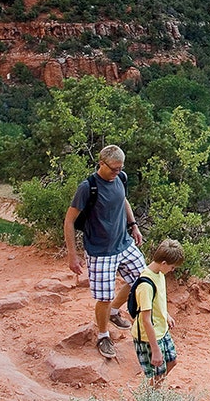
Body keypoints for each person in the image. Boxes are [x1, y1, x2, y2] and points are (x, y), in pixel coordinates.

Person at [63, 144, 145, 359]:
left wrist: (133, 225)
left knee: (142, 279)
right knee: (104, 297)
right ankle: (103, 335)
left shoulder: (121, 178)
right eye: (114, 169)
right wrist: (73, 254)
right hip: (100, 251)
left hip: (124, 243)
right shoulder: (88, 187)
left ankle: (115, 312)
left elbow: (123, 199)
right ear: (101, 163)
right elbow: (69, 221)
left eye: (120, 168)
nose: (117, 172)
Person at [131, 238, 183, 386]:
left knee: (172, 361)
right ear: (164, 263)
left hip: (161, 329)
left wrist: (165, 315)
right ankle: (150, 399)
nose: (172, 270)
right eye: (172, 267)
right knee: (158, 371)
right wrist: (155, 349)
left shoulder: (159, 274)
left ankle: (153, 390)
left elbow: (157, 301)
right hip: (149, 336)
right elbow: (146, 319)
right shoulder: (145, 285)